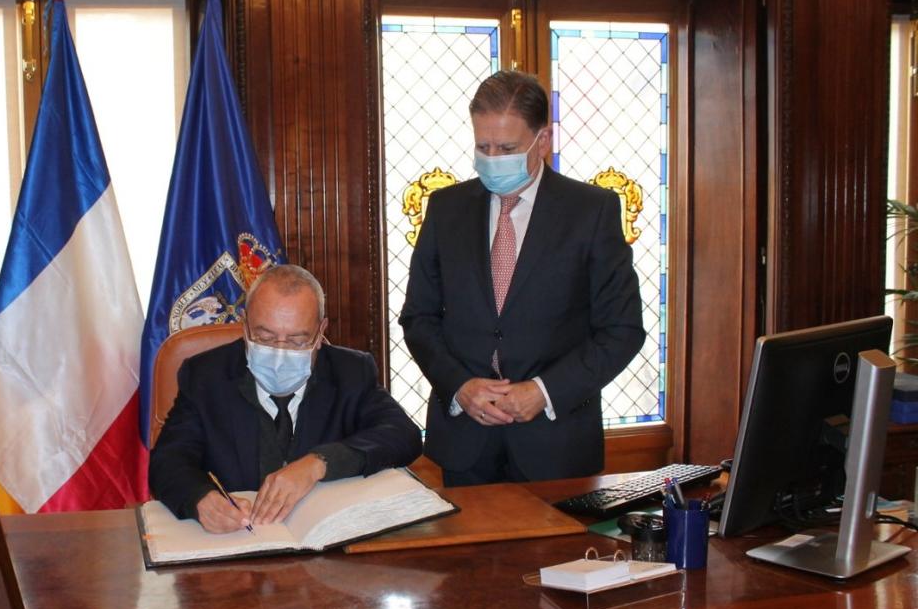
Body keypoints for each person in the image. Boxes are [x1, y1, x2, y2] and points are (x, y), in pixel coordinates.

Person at [400, 70, 644, 486]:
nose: (493, 158)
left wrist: (544, 392)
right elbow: (418, 317)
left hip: (557, 444)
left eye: (507, 148)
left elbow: (622, 331)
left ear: (542, 140)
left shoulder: (591, 211)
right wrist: (459, 386)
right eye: (483, 147)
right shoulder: (446, 209)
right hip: (465, 444)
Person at [150, 264, 422, 532]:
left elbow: (402, 435)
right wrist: (200, 499)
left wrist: (319, 463)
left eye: (296, 341)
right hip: (237, 541)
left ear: (320, 332)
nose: (279, 355)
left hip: (326, 541)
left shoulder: (350, 372)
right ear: (245, 326)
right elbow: (167, 461)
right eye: (265, 337)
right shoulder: (205, 376)